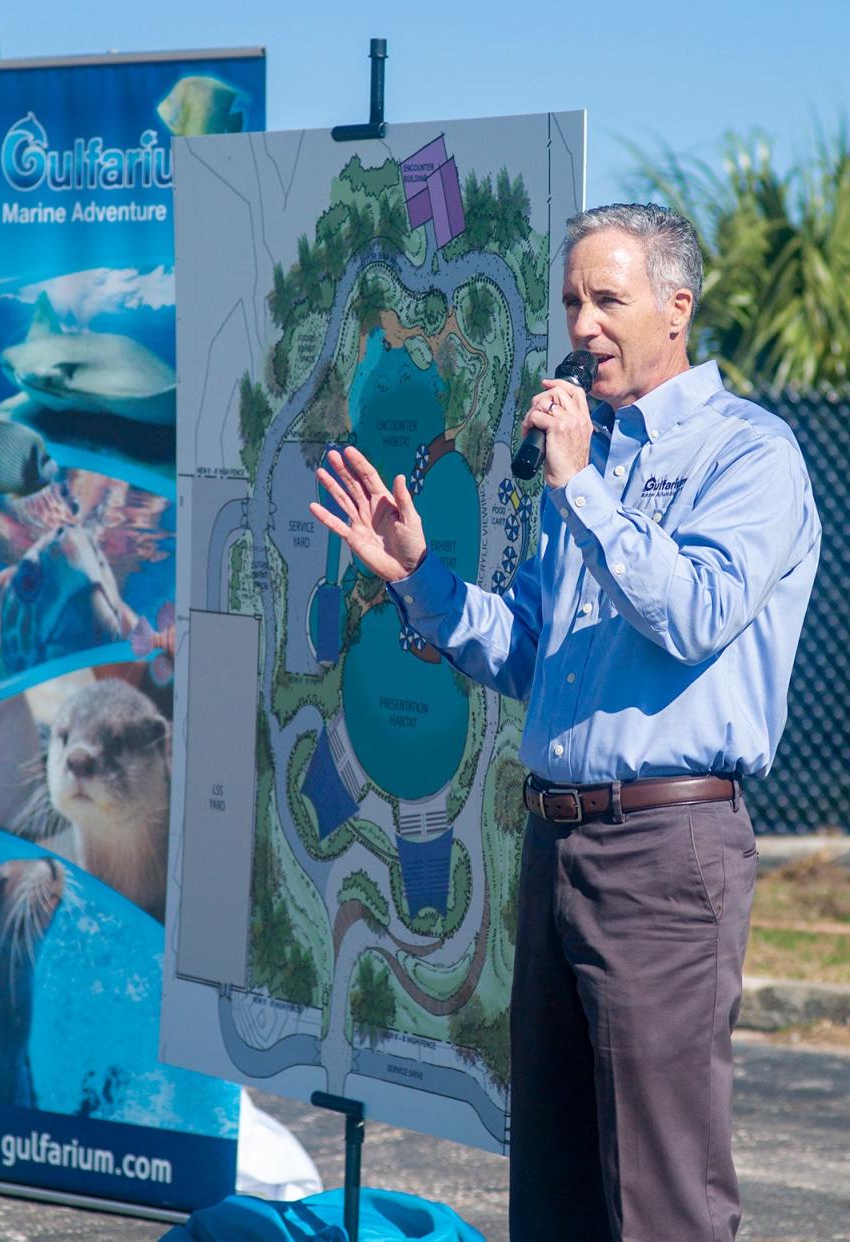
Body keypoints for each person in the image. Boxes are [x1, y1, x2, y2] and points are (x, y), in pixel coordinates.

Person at [309, 202, 820, 1241]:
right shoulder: (600, 464)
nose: (582, 324)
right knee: (554, 1178)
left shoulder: (748, 456)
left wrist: (582, 487)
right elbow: (528, 651)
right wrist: (419, 575)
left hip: (664, 850)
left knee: (658, 1190)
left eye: (608, 300)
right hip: (557, 838)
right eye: (572, 301)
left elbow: (698, 613)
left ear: (678, 308)